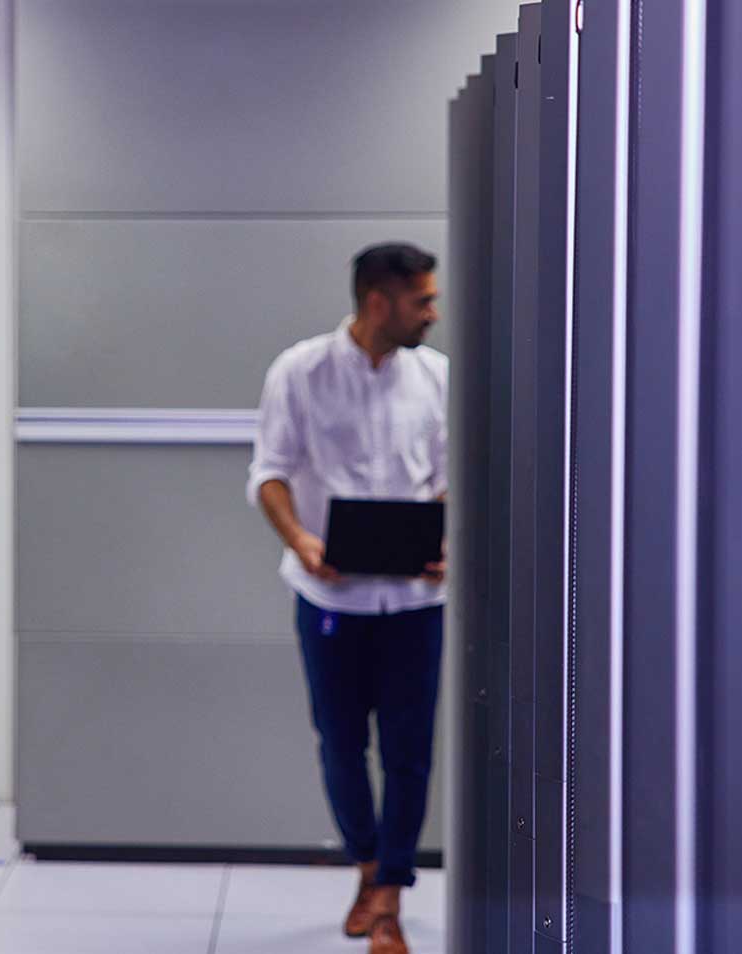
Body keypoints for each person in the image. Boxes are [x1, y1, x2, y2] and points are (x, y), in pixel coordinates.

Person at [246, 243, 447, 954]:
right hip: (330, 597)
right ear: (376, 302)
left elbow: (452, 478)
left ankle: (389, 893)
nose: (432, 311)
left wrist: (443, 541)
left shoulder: (437, 377)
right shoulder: (300, 372)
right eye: (421, 300)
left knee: (410, 752)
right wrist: (302, 539)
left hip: (416, 604)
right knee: (340, 745)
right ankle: (366, 863)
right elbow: (268, 473)